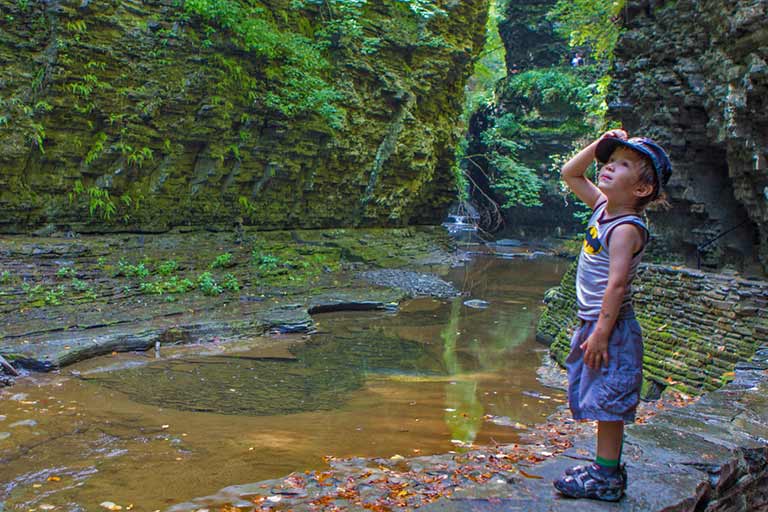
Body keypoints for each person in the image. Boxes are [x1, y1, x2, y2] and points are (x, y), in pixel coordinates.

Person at [553, 129, 672, 501]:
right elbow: (571, 173)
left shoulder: (625, 229)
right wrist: (598, 144)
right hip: (596, 320)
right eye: (610, 161)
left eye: (622, 165)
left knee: (610, 401)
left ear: (641, 190)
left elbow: (616, 286)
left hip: (612, 326)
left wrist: (602, 333)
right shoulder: (603, 207)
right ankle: (604, 467)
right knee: (601, 396)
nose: (608, 167)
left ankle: (606, 477)